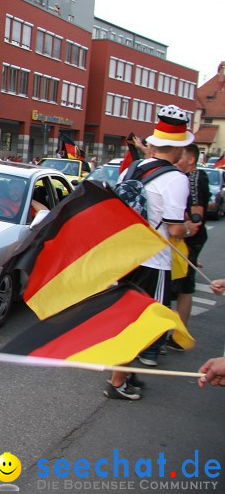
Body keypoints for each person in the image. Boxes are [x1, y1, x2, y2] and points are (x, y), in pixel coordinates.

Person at [107, 105, 198, 401]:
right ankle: (118, 381)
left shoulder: (135, 167)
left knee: (127, 316)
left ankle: (125, 372)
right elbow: (173, 230)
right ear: (180, 148)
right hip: (153, 261)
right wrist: (187, 228)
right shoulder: (176, 179)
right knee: (144, 323)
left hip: (126, 256)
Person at [169, 143, 209, 349]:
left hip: (189, 241)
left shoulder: (194, 179)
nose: (177, 161)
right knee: (182, 287)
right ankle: (177, 334)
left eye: (180, 157)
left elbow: (196, 217)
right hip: (187, 239)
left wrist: (181, 222)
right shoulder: (190, 177)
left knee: (183, 287)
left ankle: (178, 336)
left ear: (191, 160)